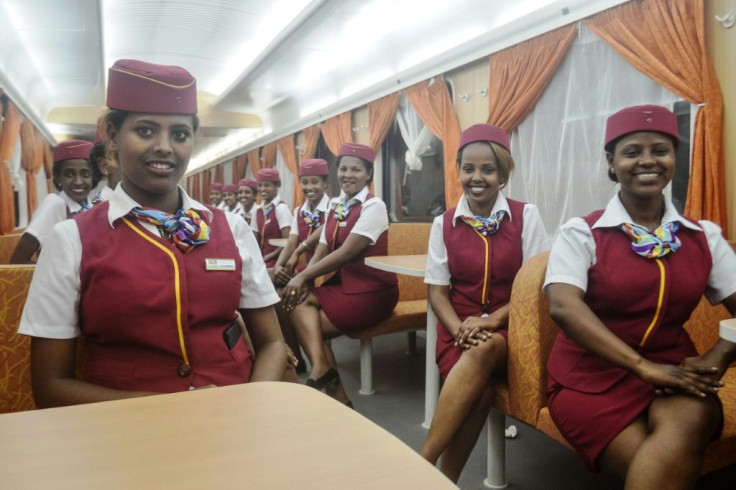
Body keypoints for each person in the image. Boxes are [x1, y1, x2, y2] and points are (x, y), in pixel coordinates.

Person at [18, 59, 287, 407]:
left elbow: (273, 343)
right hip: (124, 428)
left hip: (233, 413)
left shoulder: (231, 228)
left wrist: (251, 407)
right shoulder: (70, 239)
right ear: (113, 137)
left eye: (179, 134)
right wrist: (174, 410)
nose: (164, 146)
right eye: (145, 131)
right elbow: (50, 386)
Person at [544, 105, 736, 488]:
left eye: (660, 150)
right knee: (662, 468)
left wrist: (720, 353)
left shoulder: (704, 237)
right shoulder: (582, 232)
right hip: (587, 378)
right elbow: (563, 306)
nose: (647, 161)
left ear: (674, 160)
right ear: (611, 163)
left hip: (675, 371)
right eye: (632, 152)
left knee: (688, 424)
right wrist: (641, 367)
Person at [420, 124, 550, 482]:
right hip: (458, 331)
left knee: (489, 343)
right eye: (469, 169)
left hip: (513, 328)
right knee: (481, 394)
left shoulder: (527, 216)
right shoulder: (442, 223)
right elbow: (438, 292)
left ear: (503, 175)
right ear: (459, 171)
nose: (477, 178)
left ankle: (421, 464)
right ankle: (443, 481)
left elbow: (535, 290)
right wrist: (459, 328)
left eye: (488, 170)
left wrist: (492, 320)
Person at [282, 143, 398, 407]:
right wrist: (305, 279)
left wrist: (301, 277)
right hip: (345, 285)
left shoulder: (374, 206)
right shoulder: (337, 203)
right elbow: (322, 245)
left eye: (356, 169)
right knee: (294, 301)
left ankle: (334, 391)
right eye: (343, 168)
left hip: (373, 291)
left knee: (309, 326)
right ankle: (325, 374)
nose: (348, 174)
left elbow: (346, 252)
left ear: (369, 174)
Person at [10, 140, 95, 264]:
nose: (78, 181)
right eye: (69, 174)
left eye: (85, 174)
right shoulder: (55, 204)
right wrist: (55, 273)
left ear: (93, 177)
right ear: (58, 176)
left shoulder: (91, 207)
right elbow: (17, 261)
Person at [273, 158, 330, 286]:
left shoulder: (333, 207)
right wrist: (278, 266)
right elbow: (291, 243)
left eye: (314, 182)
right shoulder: (299, 211)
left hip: (327, 270)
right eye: (304, 182)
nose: (309, 187)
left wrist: (298, 253)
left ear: (325, 183)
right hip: (307, 268)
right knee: (269, 277)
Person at [255, 168, 292, 268]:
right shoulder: (258, 211)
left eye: (267, 185)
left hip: (278, 262)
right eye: (260, 185)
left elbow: (287, 243)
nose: (262, 189)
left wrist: (265, 259)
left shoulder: (281, 208)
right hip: (263, 262)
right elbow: (255, 241)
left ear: (278, 185)